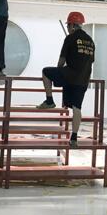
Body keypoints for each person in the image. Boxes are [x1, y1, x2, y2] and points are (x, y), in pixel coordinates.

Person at [36, 11, 94, 147]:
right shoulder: (90, 41)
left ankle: (49, 100)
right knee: (77, 107)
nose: (68, 28)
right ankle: (74, 138)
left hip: (69, 75)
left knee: (45, 72)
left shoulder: (70, 38)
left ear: (73, 25)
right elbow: (90, 61)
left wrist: (58, 71)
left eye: (68, 26)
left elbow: (62, 60)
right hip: (83, 79)